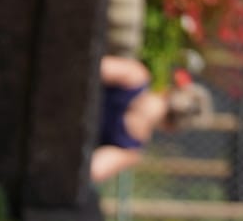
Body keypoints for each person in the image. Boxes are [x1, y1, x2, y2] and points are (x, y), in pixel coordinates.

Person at [90, 55, 213, 185]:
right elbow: (92, 170)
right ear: (170, 128)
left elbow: (89, 65)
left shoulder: (135, 76)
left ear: (169, 89)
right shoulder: (130, 148)